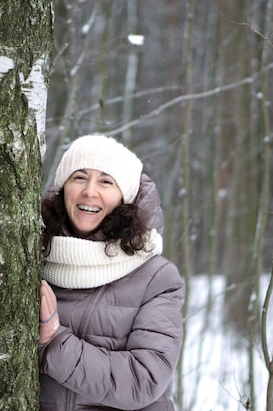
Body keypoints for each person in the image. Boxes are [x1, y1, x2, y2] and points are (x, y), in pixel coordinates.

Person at [38, 134, 185, 411]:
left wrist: (55, 342)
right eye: (79, 177)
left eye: (106, 181)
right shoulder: (35, 260)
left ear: (124, 198)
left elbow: (144, 380)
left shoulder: (157, 278)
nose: (90, 192)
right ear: (63, 188)